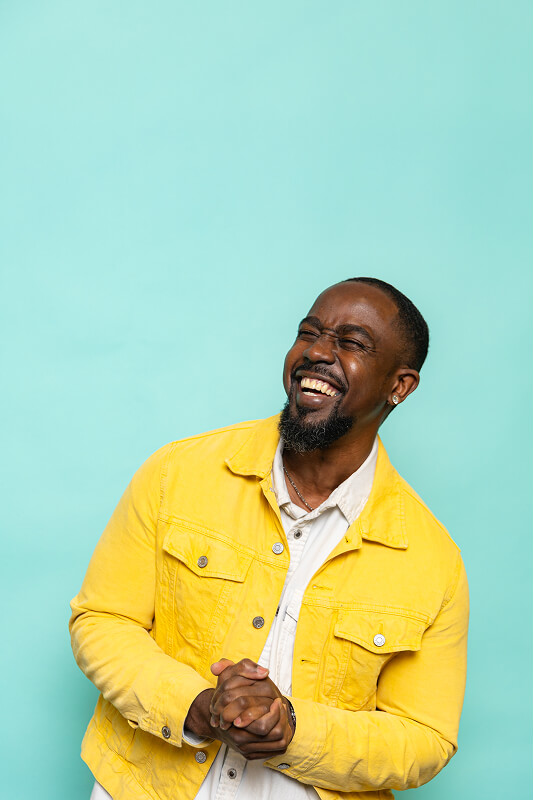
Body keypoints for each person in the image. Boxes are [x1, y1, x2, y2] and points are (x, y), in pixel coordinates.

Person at [70, 277, 469, 800]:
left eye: (351, 343)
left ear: (400, 386)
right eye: (309, 332)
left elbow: (424, 737)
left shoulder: (432, 561)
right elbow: (102, 620)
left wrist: (294, 730)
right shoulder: (177, 474)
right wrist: (198, 706)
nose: (318, 353)